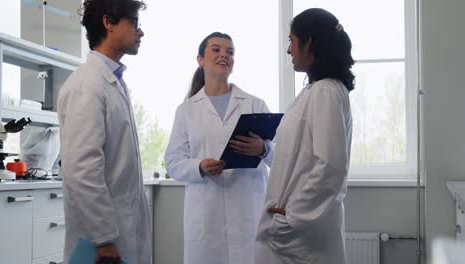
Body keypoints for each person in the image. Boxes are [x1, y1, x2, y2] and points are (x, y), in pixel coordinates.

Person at [254, 8, 355, 264]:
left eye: (291, 40)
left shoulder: (326, 92)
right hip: (298, 234)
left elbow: (330, 167)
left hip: (302, 237)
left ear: (308, 43)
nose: (289, 49)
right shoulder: (317, 91)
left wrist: (291, 218)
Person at [165, 32, 274, 264]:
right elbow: (173, 162)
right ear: (200, 59)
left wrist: (262, 149)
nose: (224, 54)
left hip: (248, 213)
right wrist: (199, 166)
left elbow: (282, 156)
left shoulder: (255, 104)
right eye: (216, 49)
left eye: (230, 51)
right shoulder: (186, 110)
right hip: (206, 217)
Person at [57, 0, 151, 263]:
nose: (140, 32)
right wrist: (104, 239)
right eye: (134, 23)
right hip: (101, 243)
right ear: (108, 23)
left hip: (121, 230)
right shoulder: (87, 86)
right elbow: (82, 170)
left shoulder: (114, 82)